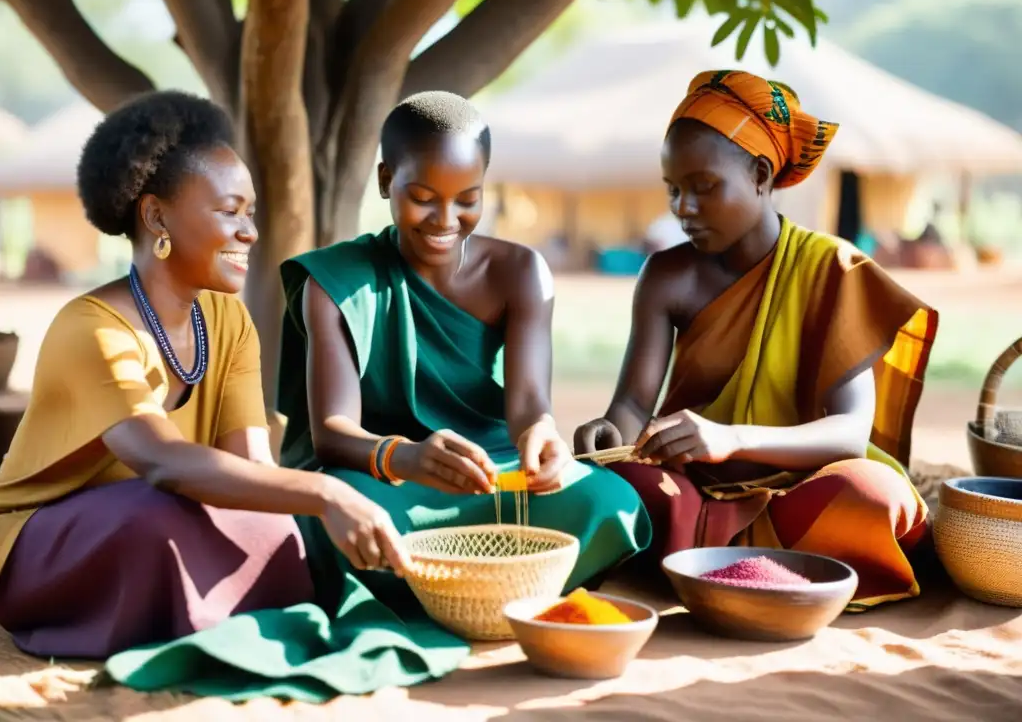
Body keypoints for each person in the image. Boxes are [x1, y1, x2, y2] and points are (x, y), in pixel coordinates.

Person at [98, 91, 651, 702]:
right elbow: (333, 430)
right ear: (386, 180)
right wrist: (407, 456)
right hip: (385, 479)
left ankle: (455, 586)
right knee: (334, 519)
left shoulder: (520, 272)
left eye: (468, 200)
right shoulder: (335, 280)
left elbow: (527, 403)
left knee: (610, 500)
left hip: (489, 475)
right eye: (423, 198)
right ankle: (479, 592)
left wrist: (538, 437)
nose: (446, 219)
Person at [0, 91, 408, 660]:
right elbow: (165, 464)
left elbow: (251, 470)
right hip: (36, 545)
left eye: (251, 212)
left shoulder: (228, 320)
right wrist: (324, 489)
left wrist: (309, 505)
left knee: (277, 528)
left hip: (163, 506)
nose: (250, 232)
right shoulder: (90, 327)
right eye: (229, 210)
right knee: (158, 516)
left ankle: (209, 621)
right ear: (155, 215)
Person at [574, 70, 938, 610]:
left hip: (806, 489)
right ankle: (773, 560)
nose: (683, 208)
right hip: (690, 490)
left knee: (870, 494)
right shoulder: (667, 276)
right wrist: (609, 433)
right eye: (673, 190)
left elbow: (849, 433)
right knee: (608, 488)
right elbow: (632, 404)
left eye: (703, 187)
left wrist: (732, 438)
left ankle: (703, 559)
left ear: (762, 175)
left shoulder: (829, 269)